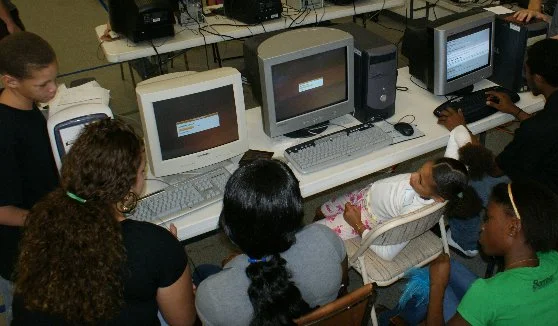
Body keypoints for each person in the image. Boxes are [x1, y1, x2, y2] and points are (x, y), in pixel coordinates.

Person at [11, 119, 196, 325]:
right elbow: (184, 323)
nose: (144, 177)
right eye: (142, 172)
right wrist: (169, 255)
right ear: (126, 186)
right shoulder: (154, 244)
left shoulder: (43, 221)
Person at [438, 38, 558, 255]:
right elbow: (555, 131)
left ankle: (465, 242)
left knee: (466, 176)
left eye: (527, 70)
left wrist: (461, 129)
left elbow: (494, 168)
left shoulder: (537, 130)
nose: (525, 75)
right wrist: (515, 111)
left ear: (538, 78)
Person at [381, 180, 558, 325]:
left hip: (492, 301)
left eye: (488, 218)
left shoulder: (487, 294)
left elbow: (490, 297)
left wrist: (437, 287)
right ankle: (395, 316)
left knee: (434, 282)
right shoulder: (554, 261)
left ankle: (389, 320)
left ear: (513, 228)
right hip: (502, 304)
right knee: (449, 266)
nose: (482, 226)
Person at [195, 159, 346, 326]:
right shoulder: (326, 238)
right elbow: (343, 286)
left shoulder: (211, 295)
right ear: (296, 209)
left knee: (202, 271)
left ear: (229, 226)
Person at [315, 139, 489, 261]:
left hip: (366, 219)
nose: (413, 176)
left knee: (314, 236)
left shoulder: (414, 213)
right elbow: (457, 133)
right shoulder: (446, 172)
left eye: (420, 181)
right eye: (420, 169)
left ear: (438, 198)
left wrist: (357, 224)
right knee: (321, 209)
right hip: (365, 195)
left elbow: (387, 253)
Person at [0, 32, 60, 324]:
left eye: (54, 79)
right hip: (19, 254)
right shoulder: (4, 134)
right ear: (10, 81)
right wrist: (53, 221)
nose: (54, 89)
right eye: (43, 84)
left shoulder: (25, 106)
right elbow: (2, 211)